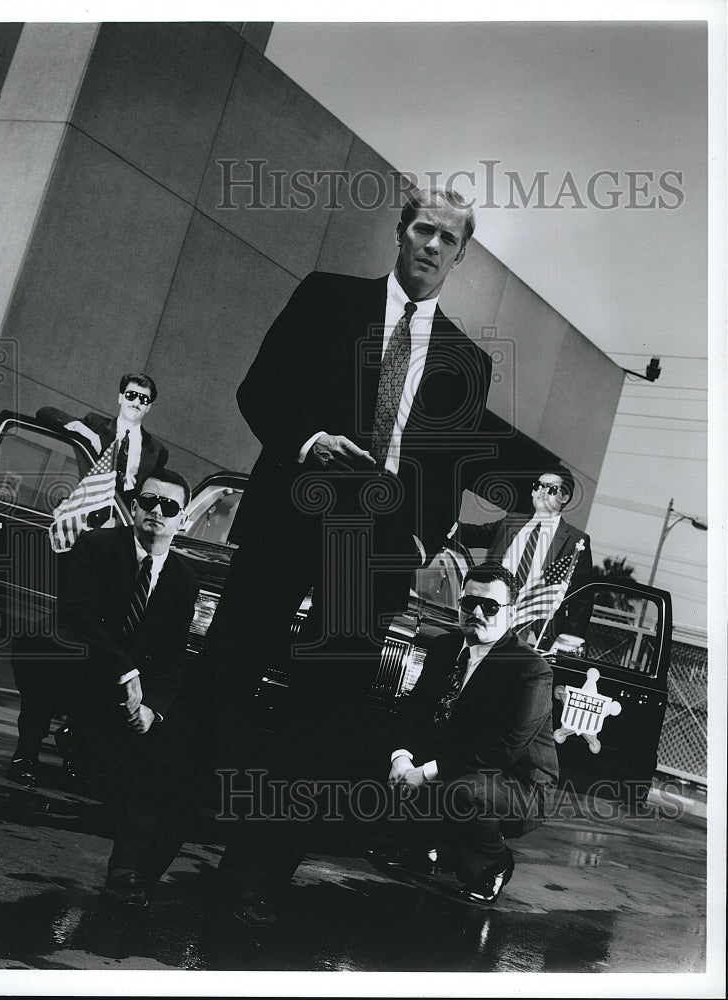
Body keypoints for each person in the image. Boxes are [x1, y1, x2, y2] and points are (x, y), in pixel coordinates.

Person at [204, 188, 493, 925]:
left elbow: (449, 470)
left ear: (461, 253)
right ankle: (148, 849)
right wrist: (308, 440)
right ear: (400, 233)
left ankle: (259, 870)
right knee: (221, 684)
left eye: (448, 238)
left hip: (374, 551)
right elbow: (259, 389)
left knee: (322, 716)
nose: (431, 245)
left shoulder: (466, 360)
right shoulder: (330, 299)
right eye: (422, 228)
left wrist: (420, 542)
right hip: (292, 515)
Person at [7, 470, 197, 819]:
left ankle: (80, 740)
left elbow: (173, 656)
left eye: (169, 506)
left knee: (103, 773)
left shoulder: (184, 581)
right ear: (136, 507)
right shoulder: (98, 544)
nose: (157, 511)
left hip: (126, 685)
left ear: (183, 519)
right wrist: (126, 671)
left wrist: (152, 709)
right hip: (80, 661)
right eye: (149, 501)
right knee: (45, 642)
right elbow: (77, 615)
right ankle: (27, 749)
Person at [388, 563, 558, 905]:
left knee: (461, 792)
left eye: (491, 607)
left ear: (511, 612)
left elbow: (504, 748)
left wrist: (426, 771)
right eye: (469, 603)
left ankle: (492, 866)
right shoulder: (445, 648)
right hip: (464, 765)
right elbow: (417, 712)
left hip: (519, 785)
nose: (477, 612)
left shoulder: (530, 669)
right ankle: (424, 847)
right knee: (375, 748)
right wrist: (402, 757)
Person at [456, 466, 593, 641]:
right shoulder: (511, 522)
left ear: (565, 497)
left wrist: (571, 641)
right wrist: (443, 522)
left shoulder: (575, 541)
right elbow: (470, 534)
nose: (542, 492)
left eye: (551, 489)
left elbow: (581, 601)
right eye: (538, 486)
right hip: (489, 618)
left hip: (533, 632)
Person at [38, 373, 168, 502]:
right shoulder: (95, 425)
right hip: (87, 511)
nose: (136, 403)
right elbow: (45, 413)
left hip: (124, 518)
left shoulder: (157, 450)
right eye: (131, 396)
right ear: (120, 398)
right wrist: (86, 432)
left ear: (148, 407)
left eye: (143, 399)